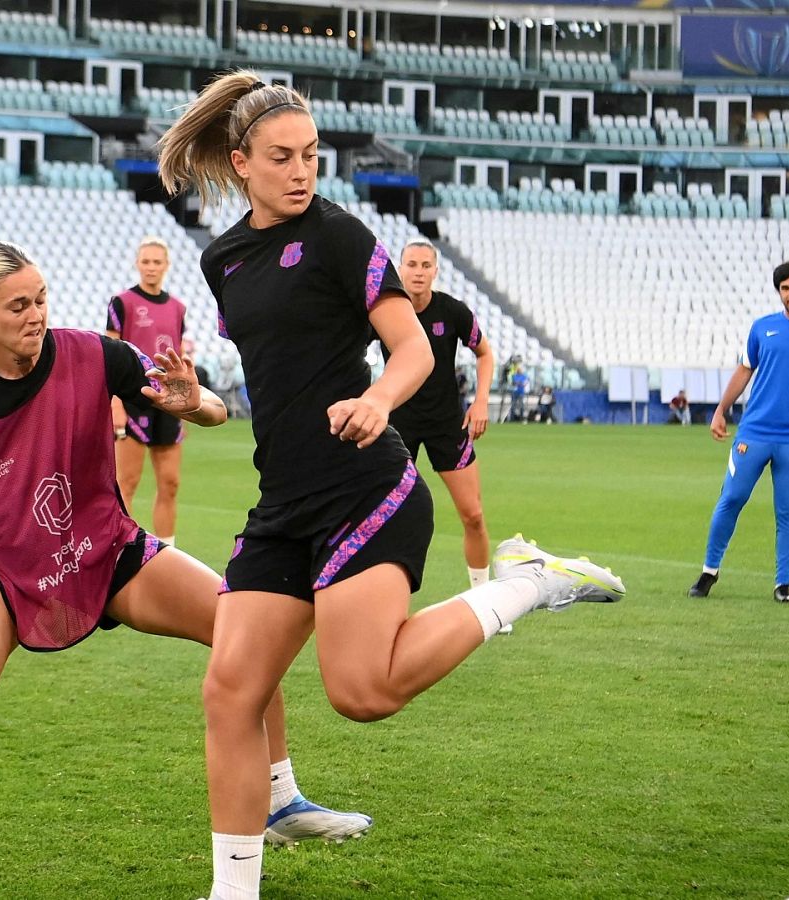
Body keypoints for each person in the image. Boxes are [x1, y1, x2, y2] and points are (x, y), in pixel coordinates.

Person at [157, 71, 625, 900]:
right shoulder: (220, 258)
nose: (302, 171)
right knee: (230, 692)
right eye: (282, 157)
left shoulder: (341, 237)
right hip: (283, 504)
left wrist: (377, 399)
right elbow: (271, 382)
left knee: (362, 692)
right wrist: (199, 402)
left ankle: (529, 582)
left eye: (311, 155)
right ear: (241, 162)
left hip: (364, 492)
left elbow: (410, 350)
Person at [0, 241, 373, 880]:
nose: (35, 314)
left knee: (244, 631)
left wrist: (195, 404)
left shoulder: (95, 354)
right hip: (12, 571)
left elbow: (207, 407)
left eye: (41, 298)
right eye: (17, 305)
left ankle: (277, 800)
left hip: (108, 549)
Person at [689, 260, 789, 605]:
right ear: (780, 292)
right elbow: (744, 371)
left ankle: (783, 584)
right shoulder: (762, 328)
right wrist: (720, 410)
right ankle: (708, 572)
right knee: (731, 499)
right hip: (754, 433)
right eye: (785, 289)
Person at [385, 237, 496, 594]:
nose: (418, 272)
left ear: (435, 271)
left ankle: (482, 597)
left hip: (447, 423)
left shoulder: (452, 312)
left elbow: (485, 353)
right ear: (400, 269)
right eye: (411, 265)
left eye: (425, 265)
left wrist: (480, 402)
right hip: (398, 424)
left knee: (473, 516)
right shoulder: (385, 312)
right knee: (391, 519)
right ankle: (389, 599)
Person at [107, 236, 189, 547]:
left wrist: (185, 405)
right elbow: (110, 354)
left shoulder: (178, 308)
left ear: (166, 266)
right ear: (137, 264)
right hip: (133, 398)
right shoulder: (122, 303)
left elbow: (178, 356)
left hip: (169, 401)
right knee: (126, 482)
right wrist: (115, 404)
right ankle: (121, 551)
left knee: (170, 483)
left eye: (157, 262)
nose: (151, 267)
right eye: (146, 261)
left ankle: (169, 551)